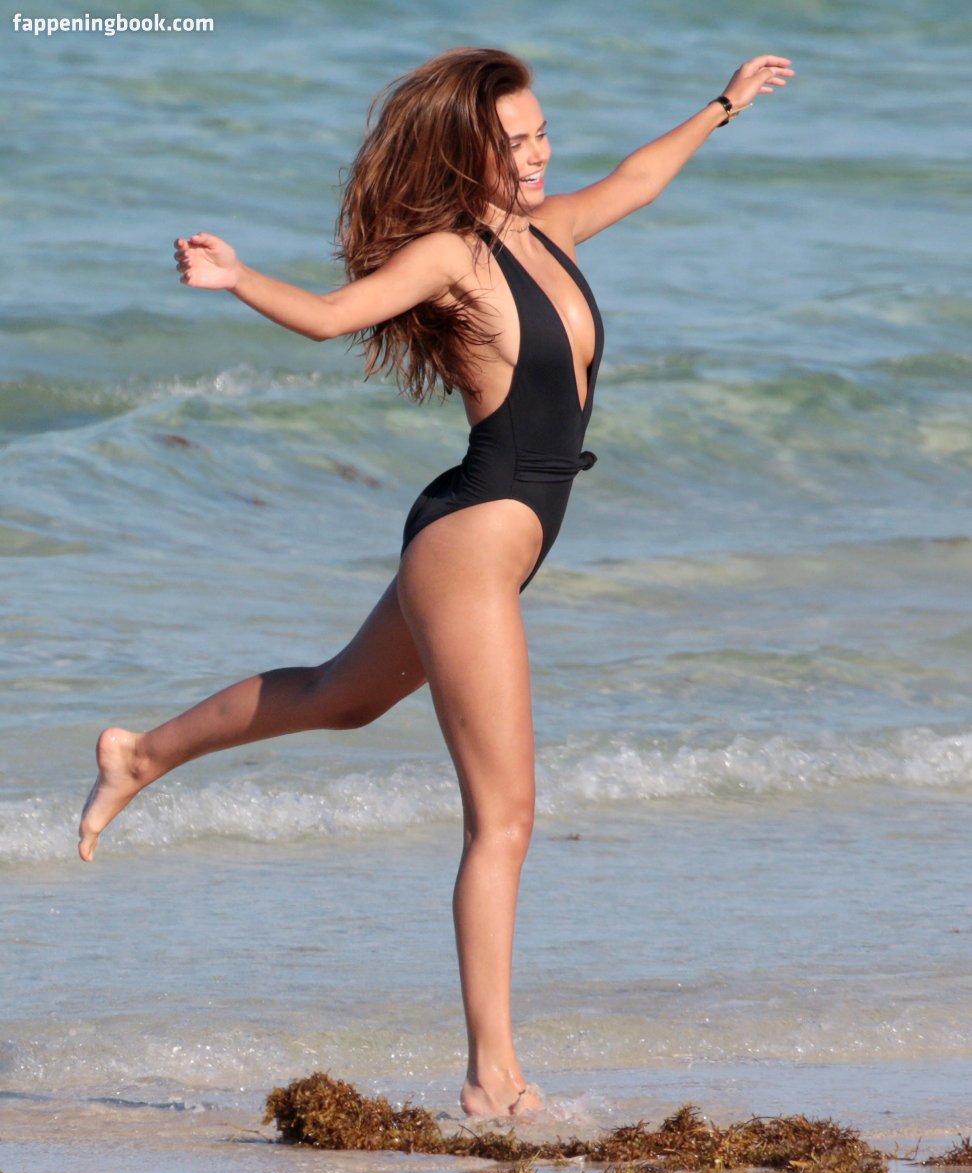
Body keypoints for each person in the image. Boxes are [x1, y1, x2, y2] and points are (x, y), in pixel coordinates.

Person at [78, 47, 793, 1118]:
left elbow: (640, 177)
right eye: (513, 144)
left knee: (341, 696)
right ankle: (491, 1073)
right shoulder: (452, 255)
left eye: (542, 134)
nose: (537, 155)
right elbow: (334, 313)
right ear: (467, 154)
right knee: (504, 817)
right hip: (472, 541)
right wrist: (239, 279)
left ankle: (139, 752)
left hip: (490, 534)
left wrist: (724, 104)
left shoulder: (549, 230)